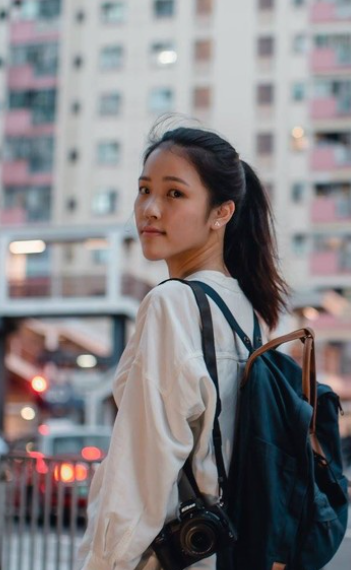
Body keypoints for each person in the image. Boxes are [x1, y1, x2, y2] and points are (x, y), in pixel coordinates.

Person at [77, 124, 288, 570]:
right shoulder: (245, 311)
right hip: (223, 551)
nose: (150, 209)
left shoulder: (172, 303)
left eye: (174, 194)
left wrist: (103, 563)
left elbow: (142, 468)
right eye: (143, 190)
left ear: (221, 213)